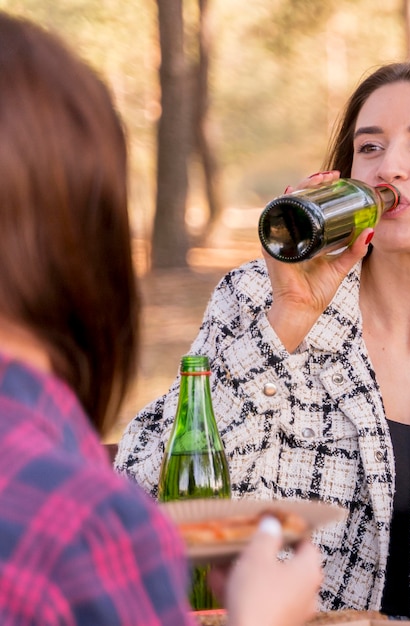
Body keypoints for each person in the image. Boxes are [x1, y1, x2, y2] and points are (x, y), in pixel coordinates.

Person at [116, 56, 410, 621]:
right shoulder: (258, 298)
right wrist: (288, 322)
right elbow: (139, 501)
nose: (388, 166)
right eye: (369, 148)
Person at [0, 12, 321, 626]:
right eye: (369, 144)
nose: (392, 168)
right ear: (86, 238)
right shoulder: (74, 525)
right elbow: (146, 472)